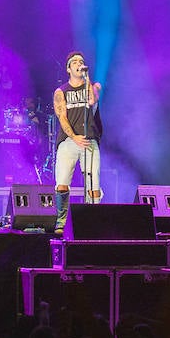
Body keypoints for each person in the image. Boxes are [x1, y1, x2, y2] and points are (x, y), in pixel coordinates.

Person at [52, 51, 103, 235]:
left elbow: (91, 100)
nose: (79, 64)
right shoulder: (60, 92)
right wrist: (74, 137)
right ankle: (62, 220)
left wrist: (88, 79)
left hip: (89, 141)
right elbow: (62, 118)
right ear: (68, 68)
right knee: (62, 181)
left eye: (81, 61)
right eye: (75, 62)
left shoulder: (93, 86)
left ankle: (93, 221)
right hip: (69, 141)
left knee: (93, 183)